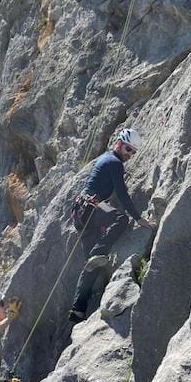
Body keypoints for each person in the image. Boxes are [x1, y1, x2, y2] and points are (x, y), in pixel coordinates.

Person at [69, 128, 155, 323]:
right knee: (121, 219)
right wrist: (138, 218)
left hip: (80, 211)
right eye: (127, 149)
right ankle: (97, 253)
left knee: (92, 266)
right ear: (118, 144)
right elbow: (122, 193)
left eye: (133, 151)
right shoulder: (114, 162)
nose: (129, 154)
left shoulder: (106, 159)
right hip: (93, 205)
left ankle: (77, 310)